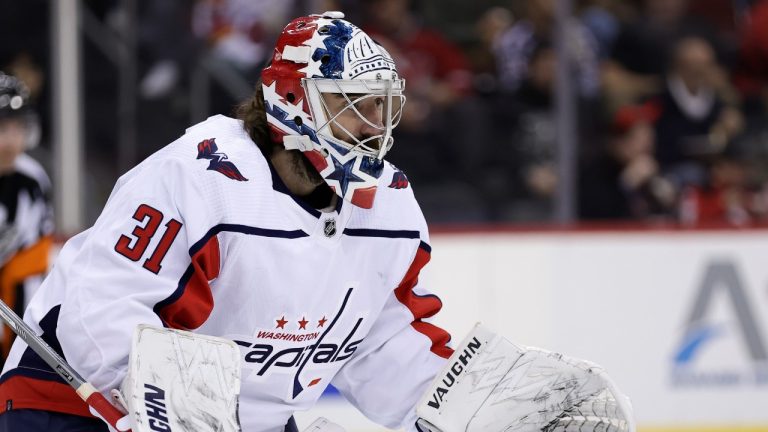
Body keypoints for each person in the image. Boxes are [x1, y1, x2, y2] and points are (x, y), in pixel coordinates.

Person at [0, 12, 450, 432]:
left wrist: (455, 411)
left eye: (380, 105)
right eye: (352, 103)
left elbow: (389, 346)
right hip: (73, 406)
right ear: (294, 100)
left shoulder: (389, 209)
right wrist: (177, 414)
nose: (373, 125)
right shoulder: (202, 178)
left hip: (237, 418)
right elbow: (103, 315)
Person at [0, 72, 54, 367]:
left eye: (18, 128)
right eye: (2, 128)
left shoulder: (31, 180)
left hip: (14, 318)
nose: (11, 140)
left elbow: (30, 265)